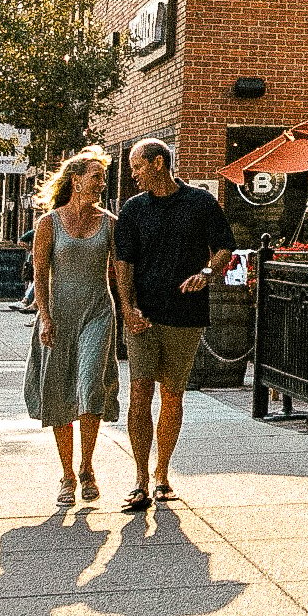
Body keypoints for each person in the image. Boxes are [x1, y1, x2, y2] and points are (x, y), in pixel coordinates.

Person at [110, 138, 232, 511]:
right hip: (143, 315)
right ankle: (140, 479)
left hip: (185, 314)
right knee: (139, 393)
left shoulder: (200, 202)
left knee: (172, 394)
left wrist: (207, 272)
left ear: (159, 163)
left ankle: (163, 475)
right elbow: (123, 262)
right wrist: (127, 308)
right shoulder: (133, 209)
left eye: (137, 166)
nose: (133, 175)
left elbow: (225, 246)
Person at [24, 151, 120, 503]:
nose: (101, 182)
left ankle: (87, 467)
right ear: (76, 179)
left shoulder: (110, 222)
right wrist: (44, 317)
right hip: (59, 314)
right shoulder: (49, 223)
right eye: (96, 176)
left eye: (101, 176)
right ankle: (66, 475)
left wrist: (130, 307)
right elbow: (40, 275)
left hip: (97, 311)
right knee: (60, 390)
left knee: (90, 385)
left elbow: (121, 272)